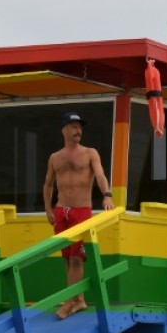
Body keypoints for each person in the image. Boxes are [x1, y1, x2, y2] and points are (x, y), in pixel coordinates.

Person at [43, 111, 114, 319]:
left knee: (76, 258)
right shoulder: (55, 157)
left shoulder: (90, 153)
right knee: (67, 258)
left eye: (80, 127)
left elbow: (100, 175)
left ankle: (68, 302)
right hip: (61, 210)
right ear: (64, 130)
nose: (78, 130)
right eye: (73, 127)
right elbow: (48, 184)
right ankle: (79, 300)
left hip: (81, 211)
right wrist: (48, 208)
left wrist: (107, 195)